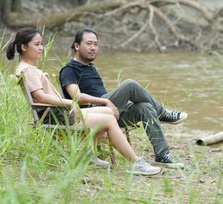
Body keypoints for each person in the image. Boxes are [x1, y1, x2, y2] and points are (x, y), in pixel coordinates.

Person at [6, 27, 161, 176]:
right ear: (24, 47)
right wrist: (70, 103)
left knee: (108, 111)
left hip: (56, 113)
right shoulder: (28, 69)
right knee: (108, 119)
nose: (41, 47)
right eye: (37, 44)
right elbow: (41, 97)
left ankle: (89, 154)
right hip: (56, 116)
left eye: (41, 43)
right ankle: (135, 163)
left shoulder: (28, 68)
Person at [59, 28, 187, 169]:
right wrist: (106, 101)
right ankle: (162, 113)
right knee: (130, 84)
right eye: (89, 44)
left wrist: (112, 103)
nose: (93, 48)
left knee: (146, 107)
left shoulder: (90, 68)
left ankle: (162, 155)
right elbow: (77, 97)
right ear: (77, 46)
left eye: (96, 44)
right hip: (92, 113)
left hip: (109, 112)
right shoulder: (69, 70)